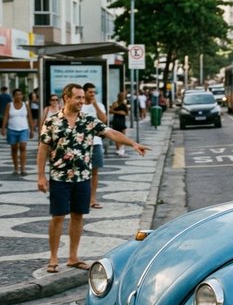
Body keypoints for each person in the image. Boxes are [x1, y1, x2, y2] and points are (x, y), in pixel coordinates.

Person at [37, 83, 150, 273]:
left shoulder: (88, 121)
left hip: (82, 177)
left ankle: (73, 257)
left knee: (78, 216)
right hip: (59, 177)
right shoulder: (51, 122)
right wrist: (40, 176)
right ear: (67, 98)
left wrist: (133, 143)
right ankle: (54, 258)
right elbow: (43, 149)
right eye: (78, 98)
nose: (82, 101)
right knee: (57, 217)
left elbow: (110, 132)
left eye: (83, 98)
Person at [81, 83, 107, 209]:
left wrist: (95, 104)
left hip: (96, 142)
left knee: (95, 171)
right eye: (90, 92)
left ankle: (92, 199)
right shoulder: (79, 106)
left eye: (94, 92)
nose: (92, 94)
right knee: (80, 171)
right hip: (80, 143)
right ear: (84, 92)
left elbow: (104, 120)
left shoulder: (99, 105)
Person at [2, 89, 35, 175]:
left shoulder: (26, 105)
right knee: (14, 149)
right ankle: (16, 168)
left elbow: (30, 117)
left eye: (20, 94)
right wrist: (3, 128)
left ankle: (23, 168)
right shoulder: (9, 105)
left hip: (23, 129)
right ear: (13, 96)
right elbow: (6, 116)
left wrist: (32, 130)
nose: (19, 96)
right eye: (17, 95)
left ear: (22, 96)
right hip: (11, 129)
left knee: (23, 147)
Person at [109, 91, 129, 157]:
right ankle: (118, 150)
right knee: (117, 136)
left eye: (123, 96)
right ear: (119, 97)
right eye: (121, 96)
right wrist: (118, 112)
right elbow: (110, 111)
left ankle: (122, 149)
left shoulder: (124, 104)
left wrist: (124, 113)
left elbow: (127, 113)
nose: (123, 97)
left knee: (123, 136)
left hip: (122, 121)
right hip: (116, 120)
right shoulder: (115, 103)